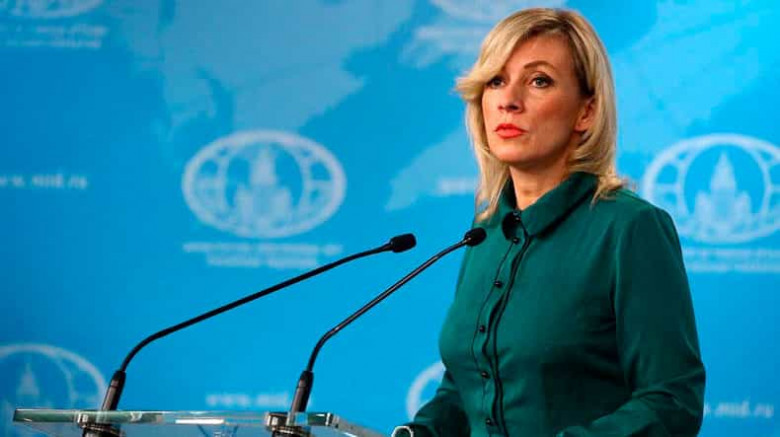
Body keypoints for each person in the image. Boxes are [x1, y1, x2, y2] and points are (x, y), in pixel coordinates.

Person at [392, 8, 705, 437]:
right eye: (496, 81)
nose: (508, 100)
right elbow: (465, 389)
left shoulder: (630, 229)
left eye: (538, 81)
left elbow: (671, 401)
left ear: (586, 112)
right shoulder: (485, 232)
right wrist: (419, 433)